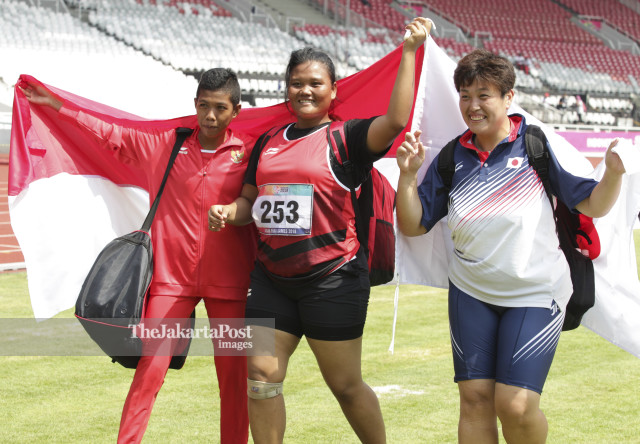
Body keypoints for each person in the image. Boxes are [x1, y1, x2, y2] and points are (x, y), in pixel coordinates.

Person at [208, 17, 432, 444]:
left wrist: (408, 51)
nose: (305, 90)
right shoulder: (268, 141)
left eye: (315, 83)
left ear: (333, 90)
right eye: (296, 83)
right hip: (271, 280)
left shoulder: (348, 138)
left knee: (345, 386)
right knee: (260, 376)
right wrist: (228, 212)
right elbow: (250, 202)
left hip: (333, 280)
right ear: (286, 89)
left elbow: (395, 120)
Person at [395, 49, 625, 444]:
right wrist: (408, 177)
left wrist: (615, 174)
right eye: (465, 96)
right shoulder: (452, 156)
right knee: (474, 400)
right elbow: (413, 225)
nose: (473, 106)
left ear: (508, 97)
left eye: (484, 95)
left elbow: (593, 204)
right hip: (470, 293)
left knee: (516, 405)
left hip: (535, 293)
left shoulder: (536, 144)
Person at [20, 68, 257, 444]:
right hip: (171, 283)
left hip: (230, 283)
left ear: (236, 110)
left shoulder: (249, 152)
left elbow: (256, 202)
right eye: (204, 106)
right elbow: (110, 132)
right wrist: (59, 106)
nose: (210, 116)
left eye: (220, 108)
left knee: (233, 377)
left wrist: (229, 212)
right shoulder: (166, 145)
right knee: (150, 371)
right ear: (195, 104)